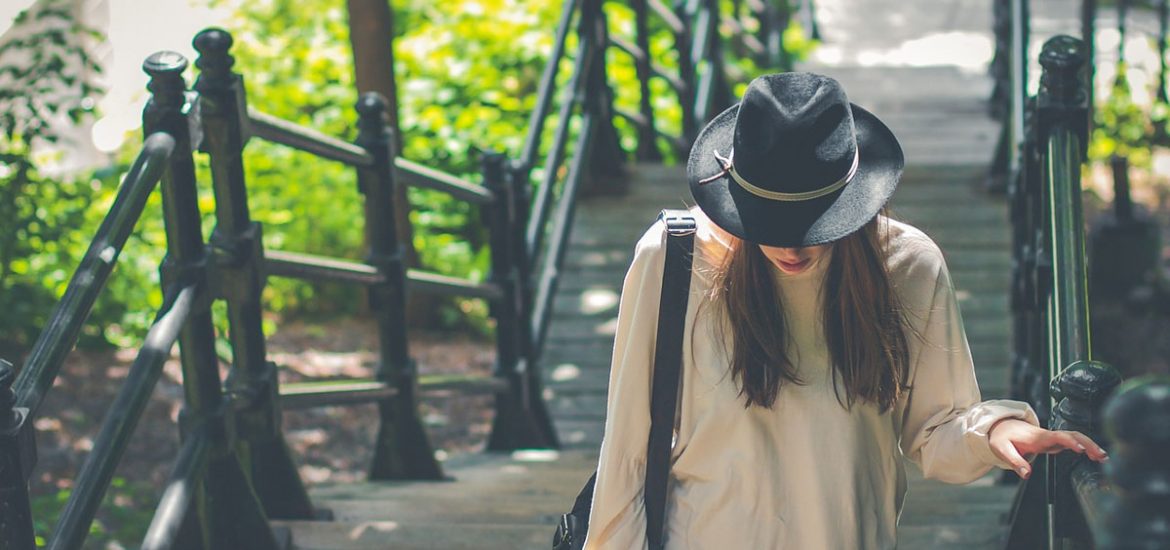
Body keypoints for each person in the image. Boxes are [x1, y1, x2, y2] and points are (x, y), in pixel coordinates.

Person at [581, 73, 1108, 549]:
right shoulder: (675, 258)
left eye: (812, 222)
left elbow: (934, 429)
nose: (791, 247)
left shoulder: (907, 265)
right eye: (770, 221)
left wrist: (993, 434)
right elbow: (629, 442)